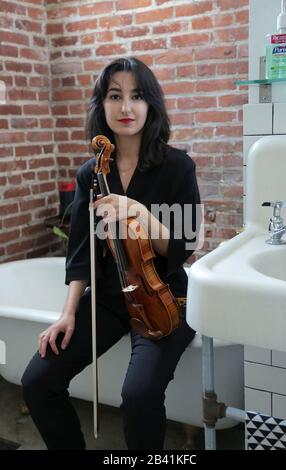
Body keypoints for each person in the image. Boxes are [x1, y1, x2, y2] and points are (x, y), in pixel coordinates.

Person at [21, 57, 201, 450]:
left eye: (137, 96)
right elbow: (81, 251)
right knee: (37, 381)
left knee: (138, 397)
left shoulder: (178, 166)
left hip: (165, 294)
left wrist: (137, 211)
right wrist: (67, 314)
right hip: (108, 295)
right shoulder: (91, 174)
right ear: (101, 105)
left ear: (150, 104)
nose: (126, 108)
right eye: (114, 96)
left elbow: (185, 246)